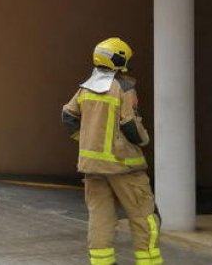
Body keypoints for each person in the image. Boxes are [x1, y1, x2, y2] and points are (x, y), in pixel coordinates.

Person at [62, 37, 162, 265]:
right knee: (144, 216)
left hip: (93, 168)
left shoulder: (85, 87)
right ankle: (149, 262)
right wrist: (144, 140)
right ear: (119, 59)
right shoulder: (124, 87)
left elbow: (67, 116)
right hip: (123, 166)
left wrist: (85, 140)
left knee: (100, 217)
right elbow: (130, 125)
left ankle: (102, 262)